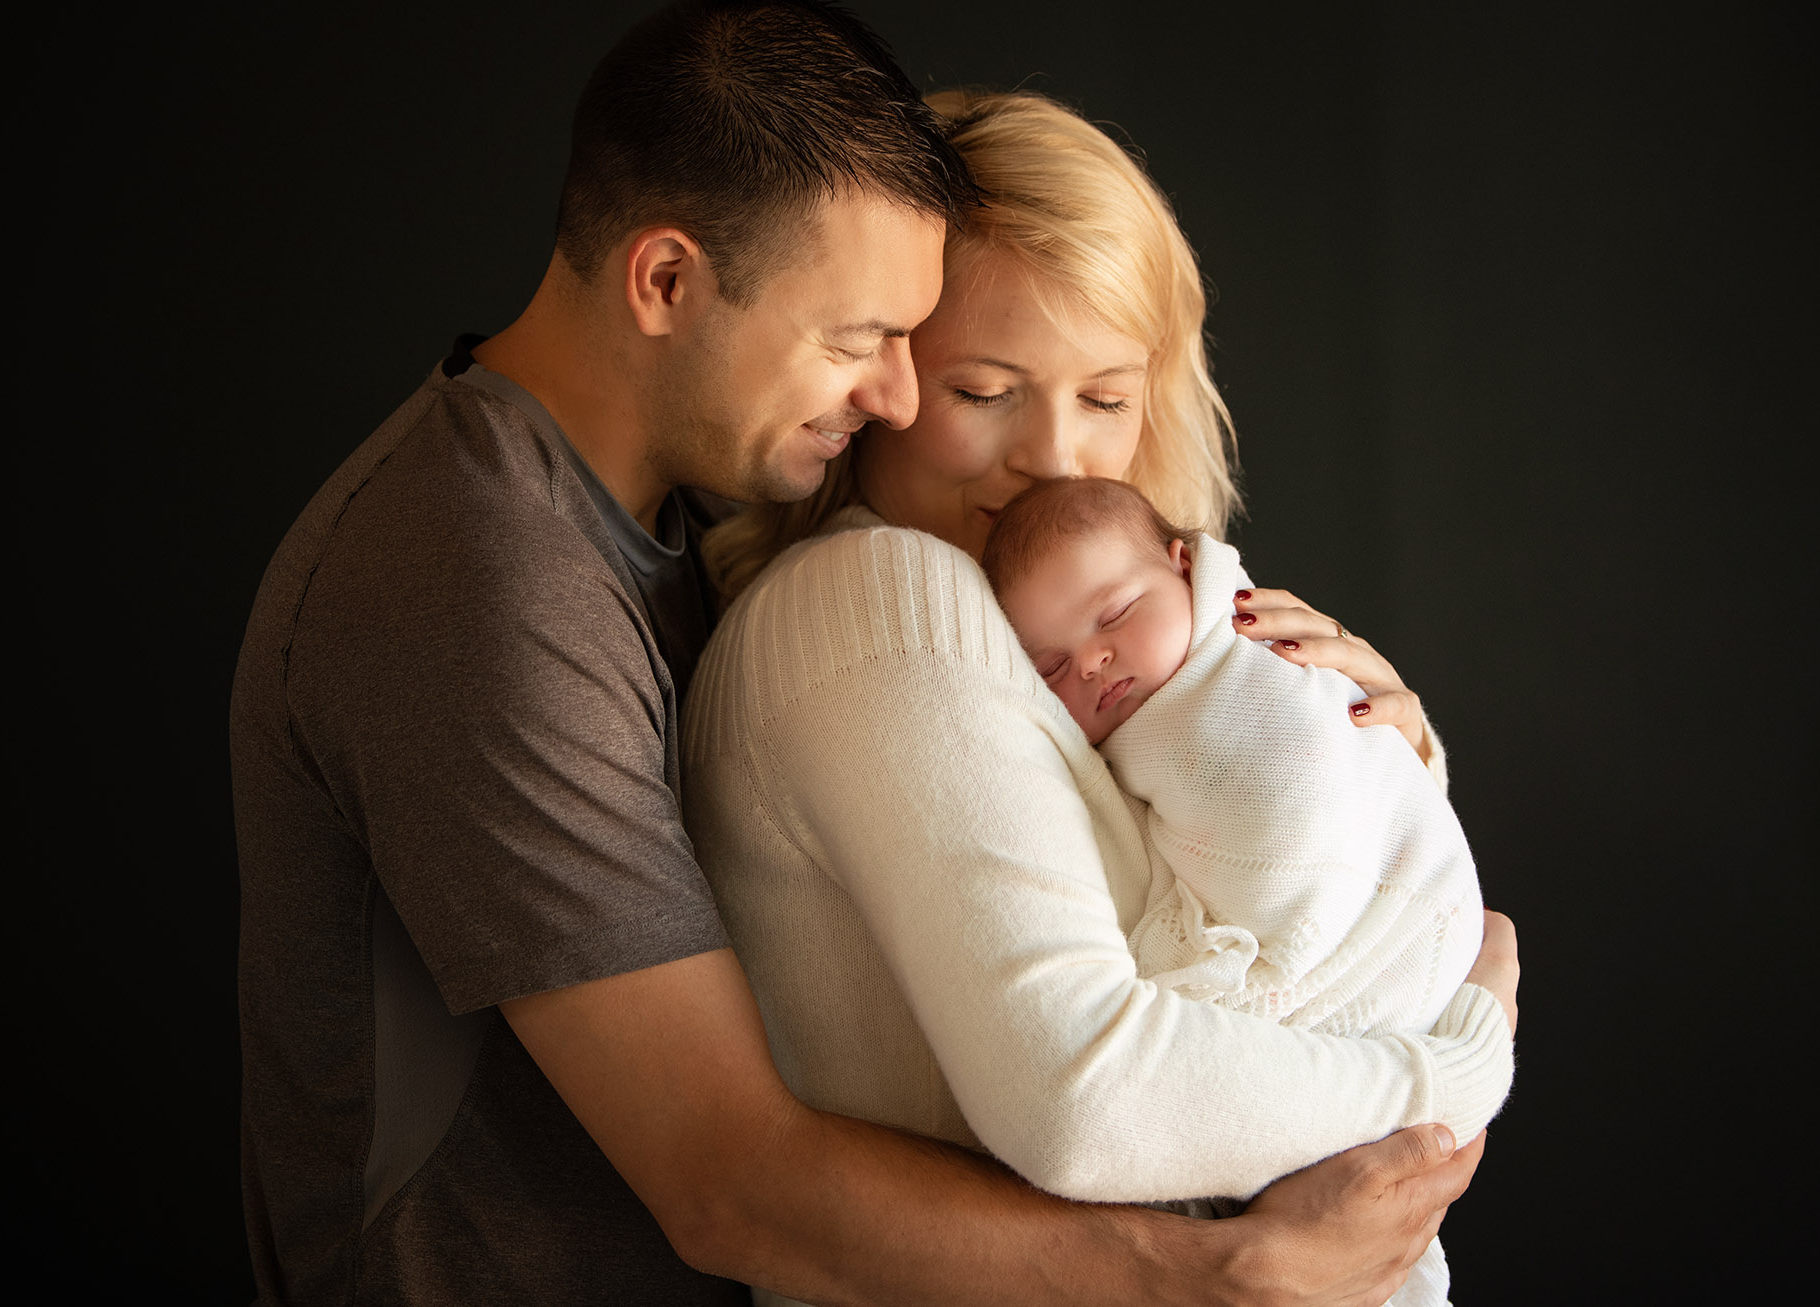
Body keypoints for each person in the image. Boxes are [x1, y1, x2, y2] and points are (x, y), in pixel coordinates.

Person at [231, 3, 1505, 1304]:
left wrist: (1369, 755)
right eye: (869, 346)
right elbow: (735, 1171)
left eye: (1106, 396)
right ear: (665, 282)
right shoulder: (493, 576)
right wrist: (1410, 1085)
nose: (889, 392)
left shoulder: (660, 529)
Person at [685, 86, 1518, 1307]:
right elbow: (1091, 1093)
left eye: (1107, 398)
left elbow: (1212, 920)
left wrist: (1377, 768)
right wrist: (1452, 1060)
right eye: (983, 390)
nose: (1057, 461)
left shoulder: (1104, 644)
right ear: (879, 376)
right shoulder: (877, 594)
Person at [983, 474, 1493, 1305]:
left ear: (1186, 568)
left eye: (1114, 615)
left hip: (1372, 960)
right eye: (1049, 667)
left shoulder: (1256, 657)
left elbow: (1327, 789)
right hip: (1392, 1049)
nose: (1091, 660)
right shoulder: (1098, 741)